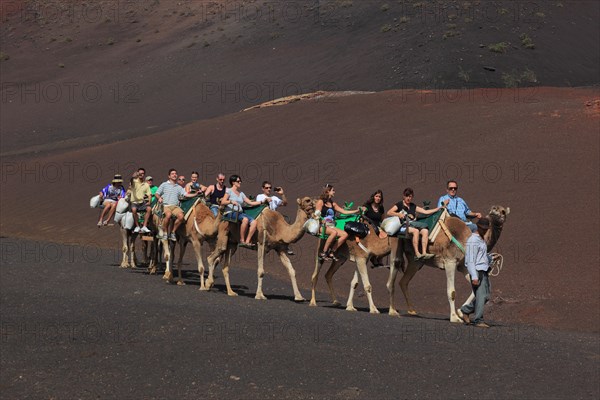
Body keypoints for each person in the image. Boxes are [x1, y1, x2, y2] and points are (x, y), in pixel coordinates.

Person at [387, 187, 445, 260]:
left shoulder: (413, 206)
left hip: (412, 225)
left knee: (425, 231)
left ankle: (424, 253)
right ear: (403, 196)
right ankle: (417, 253)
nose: (408, 198)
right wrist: (399, 215)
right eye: (407, 196)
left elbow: (426, 212)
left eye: (410, 196)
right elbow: (389, 212)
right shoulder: (399, 204)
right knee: (416, 231)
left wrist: (439, 208)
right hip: (403, 226)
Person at [460, 217, 494, 328]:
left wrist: (489, 259)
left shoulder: (481, 239)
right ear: (478, 227)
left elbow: (480, 256)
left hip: (483, 270)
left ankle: (465, 310)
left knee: (486, 296)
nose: (484, 230)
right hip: (477, 271)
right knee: (482, 295)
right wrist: (474, 276)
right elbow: (470, 260)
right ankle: (478, 320)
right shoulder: (473, 240)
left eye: (486, 229)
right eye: (483, 228)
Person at [314, 184, 361, 261]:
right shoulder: (320, 202)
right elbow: (316, 214)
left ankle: (332, 252)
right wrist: (321, 220)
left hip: (331, 226)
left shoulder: (333, 204)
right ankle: (324, 253)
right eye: (333, 190)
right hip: (322, 226)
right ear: (328, 191)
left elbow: (344, 211)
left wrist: (357, 211)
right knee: (334, 233)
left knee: (345, 234)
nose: (334, 192)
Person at [220, 174, 266, 248]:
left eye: (240, 181)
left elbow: (250, 202)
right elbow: (223, 202)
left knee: (254, 222)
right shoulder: (229, 191)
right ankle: (242, 240)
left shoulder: (241, 194)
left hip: (239, 213)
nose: (240, 182)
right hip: (231, 212)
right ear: (233, 182)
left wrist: (261, 202)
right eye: (238, 181)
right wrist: (231, 201)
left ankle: (247, 241)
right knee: (245, 219)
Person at [155, 169, 200, 241]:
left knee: (181, 217)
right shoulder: (164, 184)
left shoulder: (179, 187)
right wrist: (159, 198)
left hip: (175, 207)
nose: (174, 175)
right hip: (166, 205)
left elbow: (186, 194)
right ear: (169, 176)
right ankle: (165, 233)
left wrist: (195, 194)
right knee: (168, 215)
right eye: (172, 174)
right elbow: (157, 193)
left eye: (175, 173)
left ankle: (172, 232)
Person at [256, 181, 294, 255]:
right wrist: (265, 200)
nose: (269, 189)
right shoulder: (260, 196)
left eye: (270, 188)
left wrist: (282, 194)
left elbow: (285, 203)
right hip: (264, 217)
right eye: (266, 188)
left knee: (286, 222)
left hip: (274, 219)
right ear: (263, 188)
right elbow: (259, 205)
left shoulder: (274, 198)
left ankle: (285, 245)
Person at [362, 190, 386, 267]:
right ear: (373, 197)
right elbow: (361, 218)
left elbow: (382, 220)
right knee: (380, 239)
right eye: (376, 196)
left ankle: (378, 258)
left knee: (386, 239)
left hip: (377, 227)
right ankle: (374, 257)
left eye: (379, 197)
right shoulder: (367, 206)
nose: (378, 198)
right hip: (368, 227)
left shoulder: (381, 208)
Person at [129, 168, 152, 234]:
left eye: (143, 173)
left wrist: (149, 202)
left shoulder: (146, 184)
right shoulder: (134, 181)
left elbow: (149, 194)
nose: (141, 175)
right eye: (140, 173)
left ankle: (144, 226)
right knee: (134, 210)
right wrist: (133, 176)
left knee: (149, 209)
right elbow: (131, 181)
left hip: (142, 202)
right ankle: (137, 226)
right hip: (134, 202)